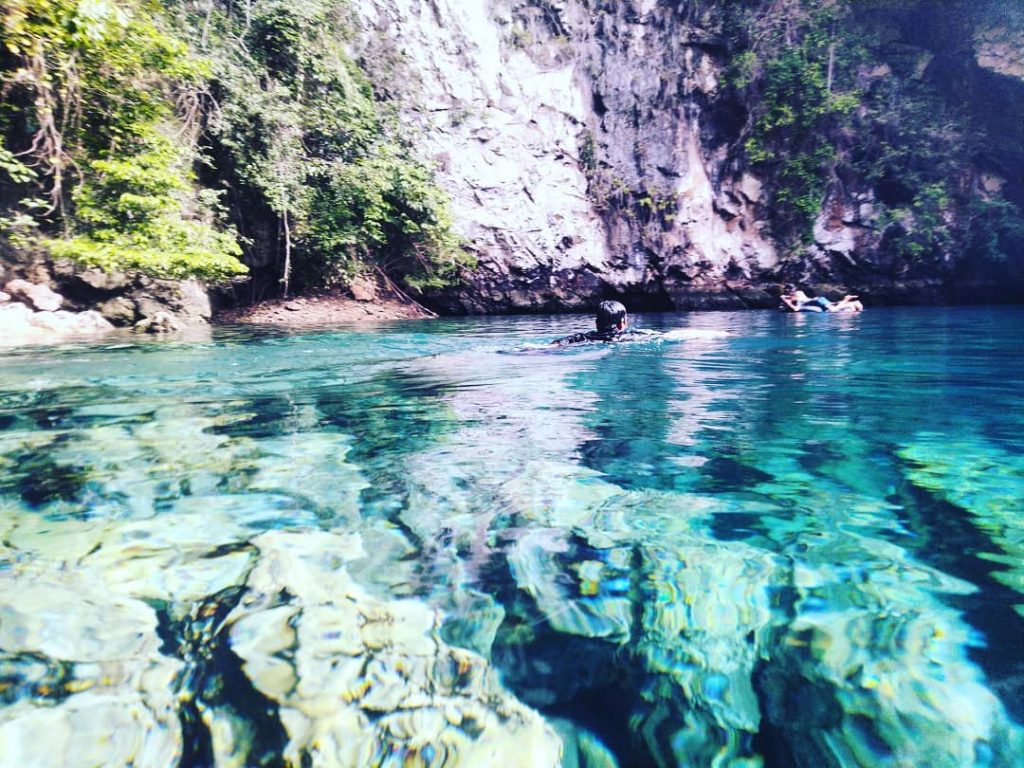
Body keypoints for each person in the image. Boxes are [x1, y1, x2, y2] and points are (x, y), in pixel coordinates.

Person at [553, 300, 655, 345]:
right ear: (622, 322)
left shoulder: (582, 337)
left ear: (597, 322)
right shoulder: (632, 336)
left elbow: (555, 345)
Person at [780, 287, 863, 313]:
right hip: (819, 300)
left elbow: (796, 309)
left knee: (833, 309)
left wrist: (786, 300)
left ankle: (846, 299)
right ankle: (850, 302)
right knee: (834, 306)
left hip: (819, 300)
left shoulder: (798, 300)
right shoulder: (799, 296)